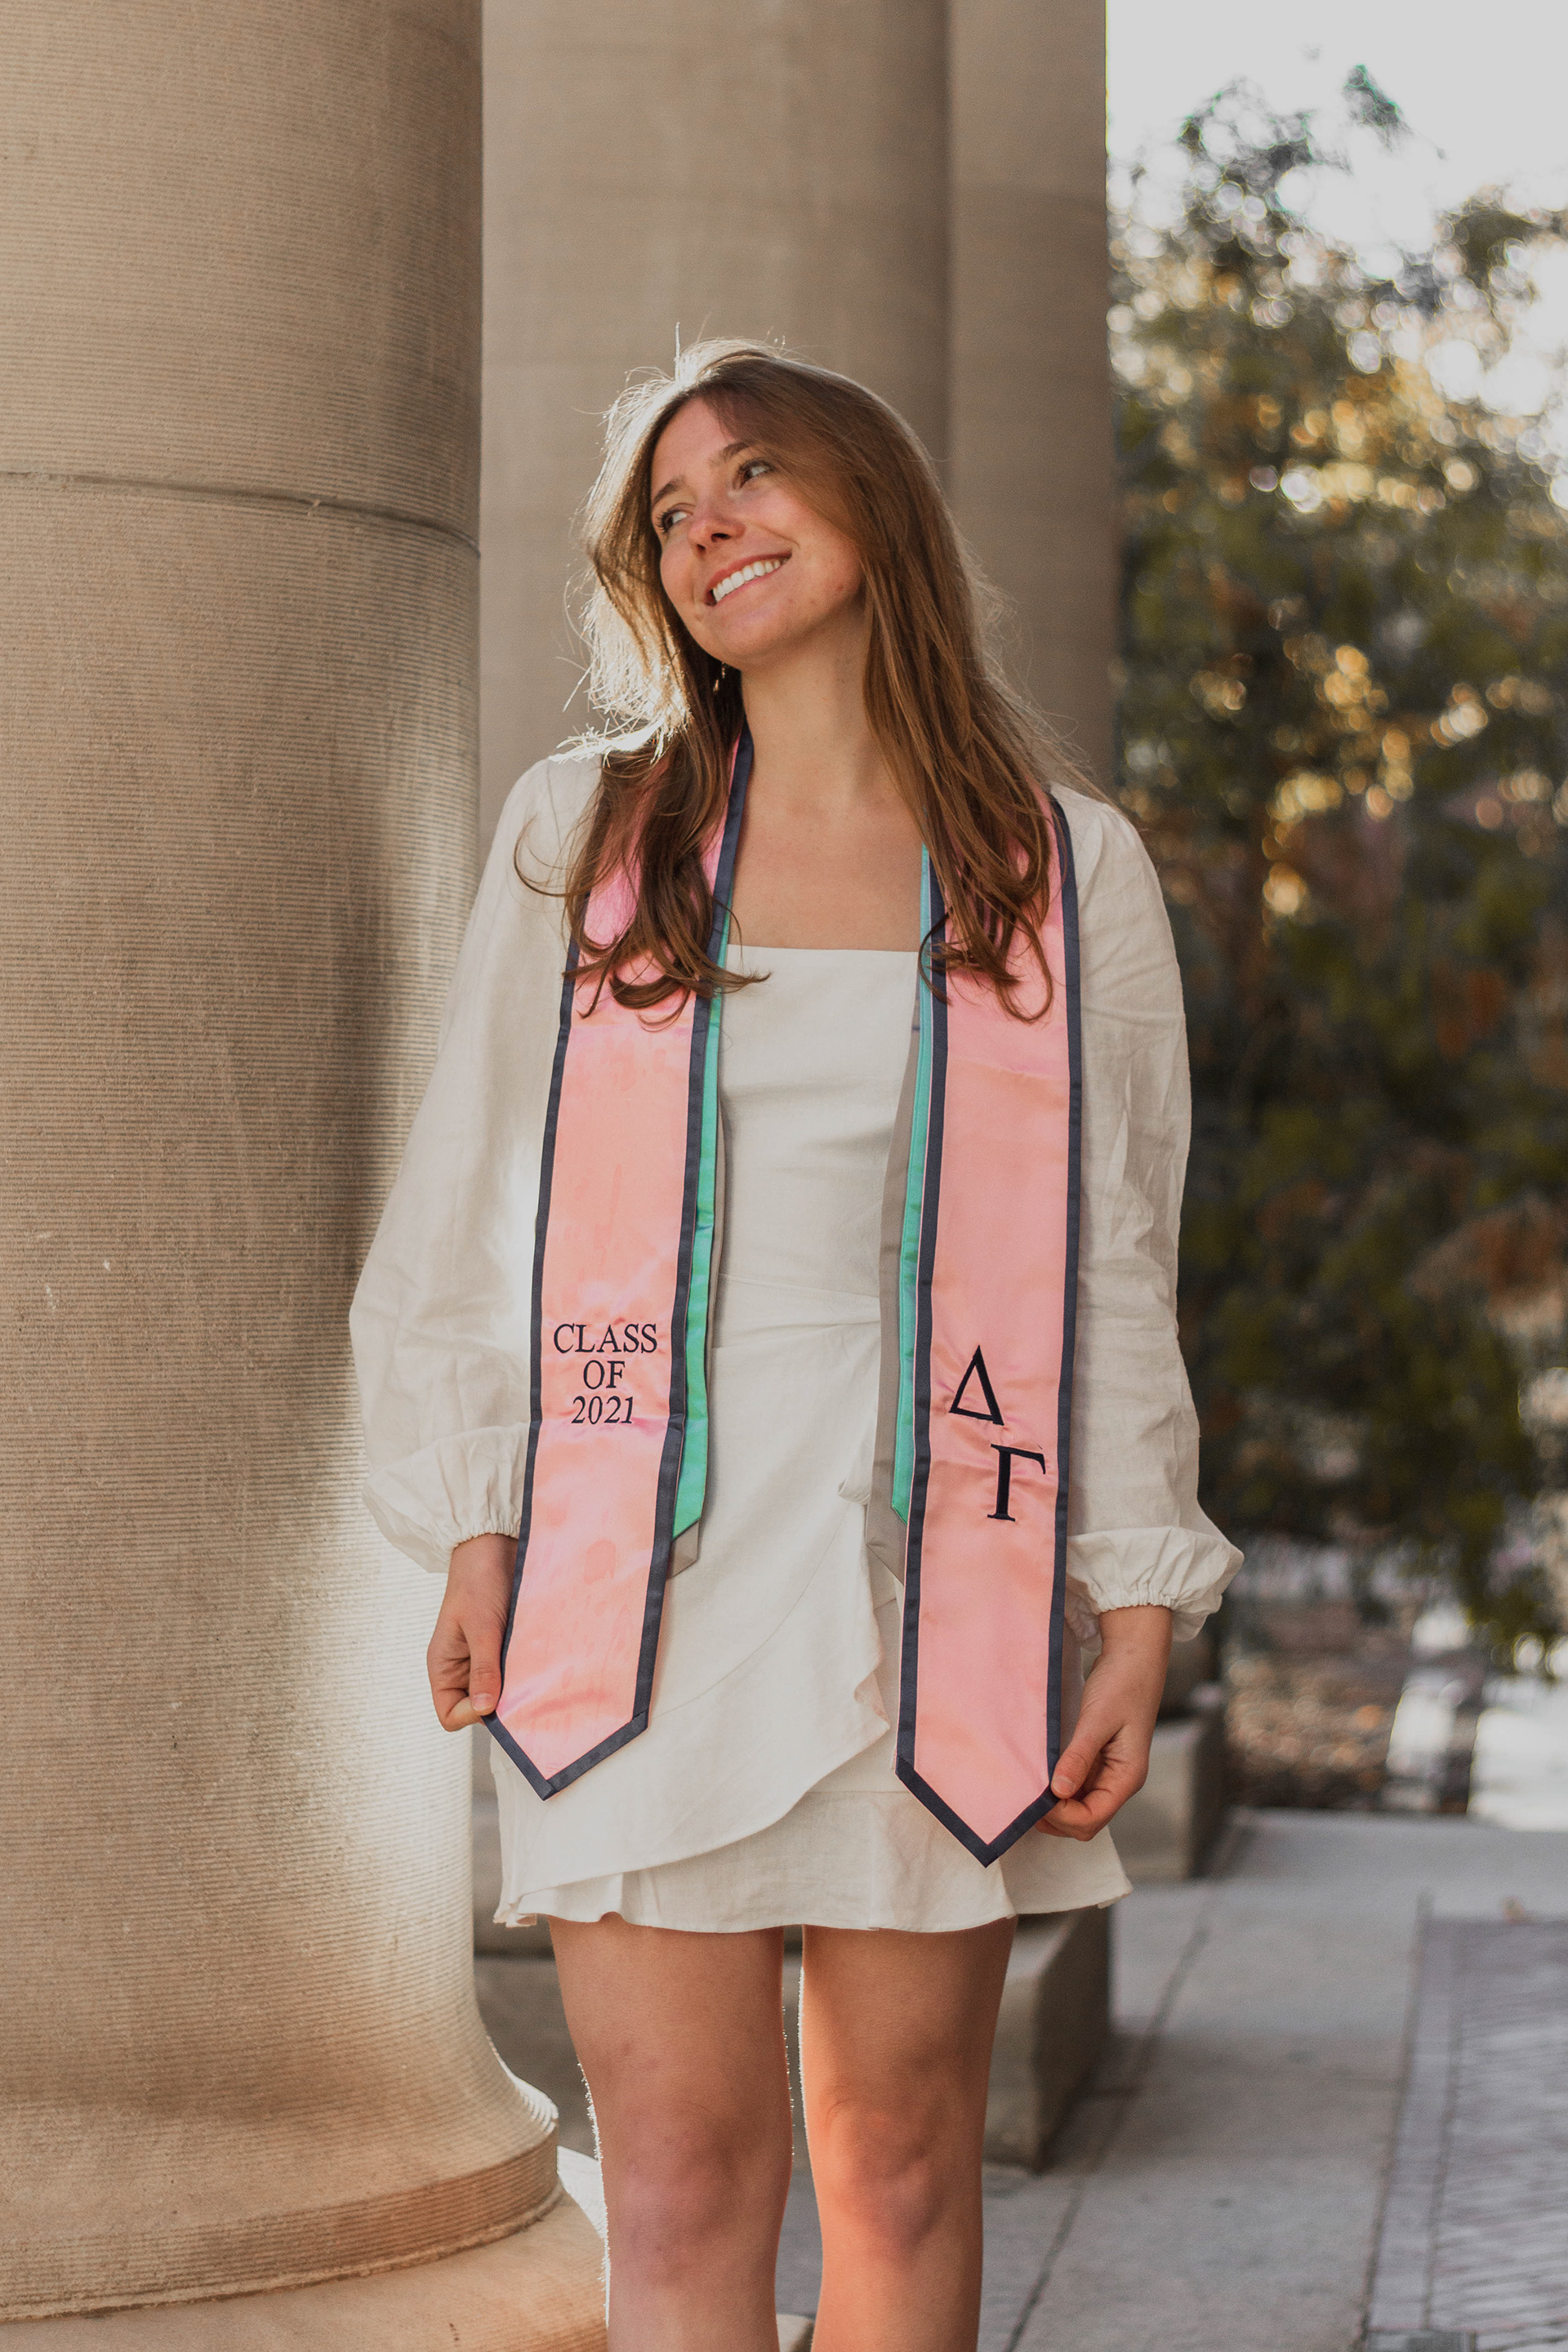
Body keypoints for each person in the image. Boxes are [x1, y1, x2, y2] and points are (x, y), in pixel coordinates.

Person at [351, 341, 1239, 2352]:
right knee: (678, 2171)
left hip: (936, 1566)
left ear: (871, 501)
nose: (709, 529)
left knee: (904, 2161)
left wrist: (1139, 1594)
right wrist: (476, 1523)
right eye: (670, 514)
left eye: (751, 474)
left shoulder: (1054, 863)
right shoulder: (588, 835)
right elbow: (467, 1200)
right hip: (636, 1569)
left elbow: (1112, 1258)